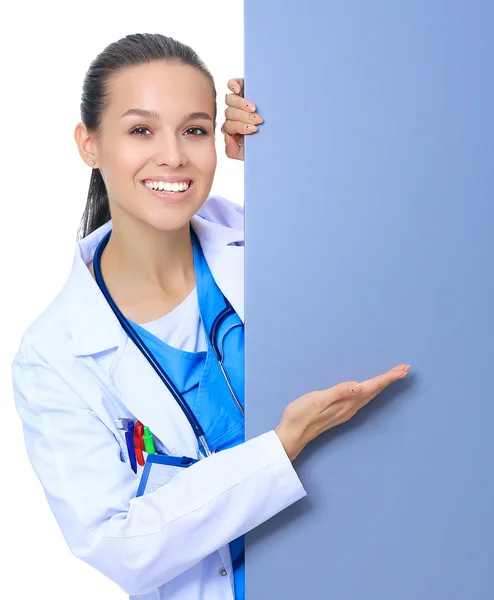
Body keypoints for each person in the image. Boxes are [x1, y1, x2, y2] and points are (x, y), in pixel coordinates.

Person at [11, 32, 411, 600]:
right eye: (141, 130)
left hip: (369, 564)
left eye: (195, 130)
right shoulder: (53, 356)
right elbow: (121, 547)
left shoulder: (270, 242)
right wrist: (284, 443)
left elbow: (398, 248)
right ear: (89, 144)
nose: (173, 155)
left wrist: (289, 157)